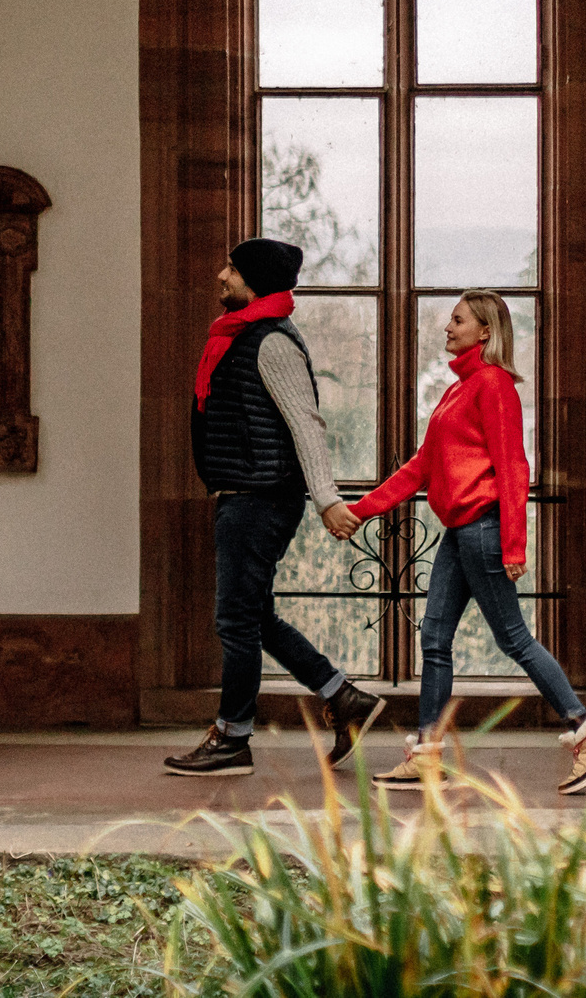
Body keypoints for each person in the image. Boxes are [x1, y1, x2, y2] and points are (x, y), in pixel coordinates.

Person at [347, 290, 586, 793]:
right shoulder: (460, 389)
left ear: (486, 331)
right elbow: (420, 467)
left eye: (457, 320)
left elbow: (514, 467)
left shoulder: (493, 385)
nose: (447, 328)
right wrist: (360, 511)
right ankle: (428, 755)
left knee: (513, 638)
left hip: (484, 529)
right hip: (460, 533)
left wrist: (515, 545)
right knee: (433, 639)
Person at [162, 237, 386, 776]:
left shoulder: (271, 343)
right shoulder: (240, 337)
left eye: (232, 270)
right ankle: (344, 698)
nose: (221, 276)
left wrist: (328, 498)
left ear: (255, 281)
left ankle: (233, 738)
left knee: (235, 621)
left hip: (260, 499)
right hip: (247, 495)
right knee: (254, 618)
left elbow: (305, 422)